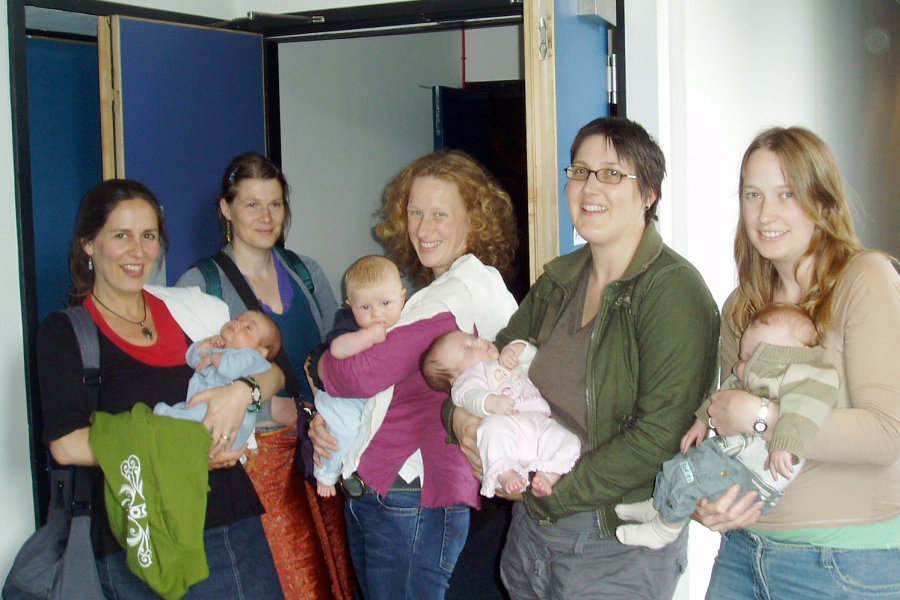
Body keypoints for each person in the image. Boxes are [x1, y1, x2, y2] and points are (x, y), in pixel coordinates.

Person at [448, 117, 720, 599]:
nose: (590, 186)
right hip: (533, 533)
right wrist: (461, 422)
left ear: (649, 194)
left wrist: (555, 494)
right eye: (580, 171)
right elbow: (485, 366)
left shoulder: (672, 291)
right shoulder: (561, 279)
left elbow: (661, 435)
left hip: (614, 543)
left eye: (613, 173)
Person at [37, 178, 284, 598]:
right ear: (89, 245)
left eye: (148, 236)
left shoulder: (188, 309)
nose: (138, 251)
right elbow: (66, 445)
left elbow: (273, 373)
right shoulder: (68, 333)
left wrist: (244, 391)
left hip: (226, 521)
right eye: (121, 235)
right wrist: (184, 452)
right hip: (138, 534)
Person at [693, 127, 900, 599]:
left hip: (844, 566)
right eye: (753, 194)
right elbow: (727, 428)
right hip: (744, 555)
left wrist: (764, 416)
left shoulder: (865, 279)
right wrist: (708, 499)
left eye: (787, 194)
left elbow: (886, 435)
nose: (766, 214)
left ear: (822, 202)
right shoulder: (742, 307)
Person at [309, 149, 519, 600]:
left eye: (440, 214)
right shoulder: (454, 288)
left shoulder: (454, 298)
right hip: (399, 495)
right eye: (416, 212)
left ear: (474, 220)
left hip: (411, 499)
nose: (424, 228)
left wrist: (316, 364)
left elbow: (361, 374)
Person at [176, 152, 355, 600]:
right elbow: (195, 389)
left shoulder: (306, 273)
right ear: (226, 209)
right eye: (252, 204)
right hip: (257, 463)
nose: (266, 216)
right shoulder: (199, 286)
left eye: (275, 204)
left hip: (318, 450)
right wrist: (273, 408)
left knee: (332, 573)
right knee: (285, 578)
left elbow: (334, 357)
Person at [615, 302, 838, 549]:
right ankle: (658, 506)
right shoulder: (754, 374)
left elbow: (802, 412)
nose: (741, 366)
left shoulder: (806, 378)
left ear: (785, 354)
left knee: (692, 478)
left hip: (753, 474)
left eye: (753, 356)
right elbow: (724, 394)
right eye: (743, 357)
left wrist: (783, 445)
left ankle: (663, 531)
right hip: (729, 455)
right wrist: (702, 420)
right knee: (679, 464)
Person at [423, 332, 580, 498]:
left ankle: (548, 474)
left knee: (565, 438)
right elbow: (470, 397)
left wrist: (514, 349)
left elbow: (534, 358)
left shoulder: (503, 361)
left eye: (474, 339)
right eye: (468, 349)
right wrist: (490, 402)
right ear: (455, 377)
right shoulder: (467, 379)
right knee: (491, 427)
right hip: (509, 429)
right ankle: (505, 472)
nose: (480, 342)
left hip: (538, 423)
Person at [310, 255, 407, 497]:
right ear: (350, 305)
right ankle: (326, 474)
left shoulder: (407, 321)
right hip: (341, 399)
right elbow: (337, 349)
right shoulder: (349, 322)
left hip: (367, 400)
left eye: (386, 303)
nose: (377, 313)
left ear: (402, 298)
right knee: (345, 431)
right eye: (365, 307)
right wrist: (368, 337)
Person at [153, 309, 282, 452]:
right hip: (204, 411)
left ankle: (172, 419)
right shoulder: (221, 351)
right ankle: (174, 419)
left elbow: (232, 368)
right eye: (238, 318)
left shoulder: (255, 359)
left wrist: (213, 358)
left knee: (201, 412)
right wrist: (206, 345)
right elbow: (193, 360)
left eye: (248, 327)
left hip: (229, 423)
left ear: (261, 351)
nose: (238, 323)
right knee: (190, 409)